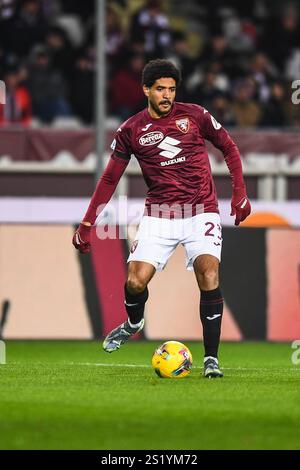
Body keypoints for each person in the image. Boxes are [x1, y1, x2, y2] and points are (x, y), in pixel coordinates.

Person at [72, 59, 251, 378]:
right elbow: (110, 178)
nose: (167, 95)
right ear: (146, 90)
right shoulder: (131, 130)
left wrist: (239, 193)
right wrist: (88, 223)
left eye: (171, 89)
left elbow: (229, 148)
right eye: (160, 89)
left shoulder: (196, 115)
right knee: (135, 280)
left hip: (201, 210)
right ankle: (134, 322)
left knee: (208, 274)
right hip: (160, 214)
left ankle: (211, 359)